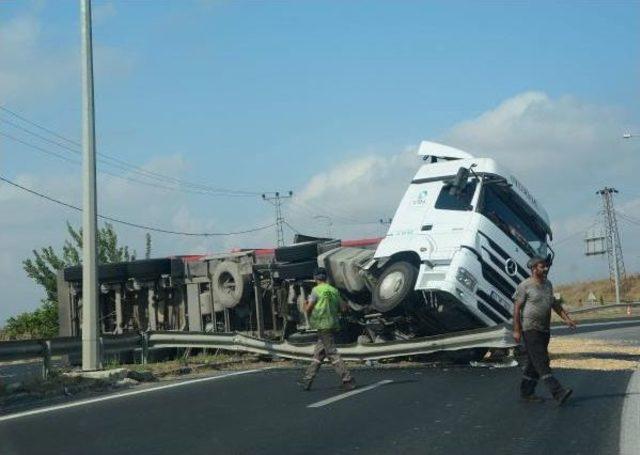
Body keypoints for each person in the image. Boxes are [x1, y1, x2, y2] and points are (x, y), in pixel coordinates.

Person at [513, 255, 577, 405]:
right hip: (530, 329)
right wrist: (516, 329)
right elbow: (516, 309)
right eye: (542, 266)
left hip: (544, 329)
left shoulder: (548, 284)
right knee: (542, 361)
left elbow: (554, 304)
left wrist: (567, 319)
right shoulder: (525, 286)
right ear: (534, 269)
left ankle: (526, 392)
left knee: (533, 362)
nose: (546, 268)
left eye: (545, 266)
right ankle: (558, 392)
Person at [298, 269, 355, 391]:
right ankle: (307, 379)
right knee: (319, 354)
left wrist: (304, 304)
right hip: (333, 324)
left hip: (322, 326)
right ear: (326, 278)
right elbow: (344, 308)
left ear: (315, 278)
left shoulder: (316, 290)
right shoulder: (333, 290)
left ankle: (348, 379)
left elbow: (308, 309)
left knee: (332, 354)